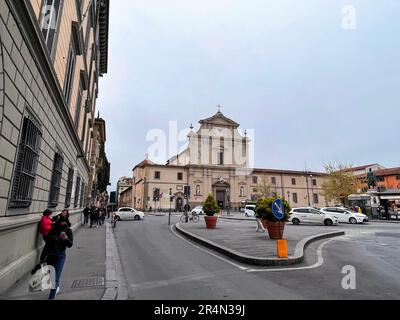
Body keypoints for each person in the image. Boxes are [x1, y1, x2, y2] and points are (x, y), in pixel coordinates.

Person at [46, 215, 73, 299]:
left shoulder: (68, 231)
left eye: (65, 224)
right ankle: (56, 287)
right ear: (58, 223)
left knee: (55, 278)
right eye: (61, 223)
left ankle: (51, 297)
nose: (63, 225)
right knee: (51, 278)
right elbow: (47, 243)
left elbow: (70, 244)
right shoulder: (53, 230)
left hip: (60, 256)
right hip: (51, 255)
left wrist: (66, 239)